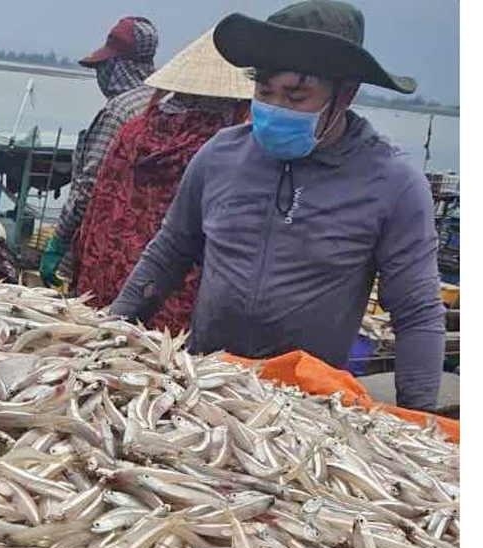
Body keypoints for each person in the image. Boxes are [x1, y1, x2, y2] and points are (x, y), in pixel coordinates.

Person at [109, 0, 446, 412]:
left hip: (307, 407)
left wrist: (419, 417)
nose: (275, 108)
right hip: (206, 388)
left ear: (346, 94)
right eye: (265, 92)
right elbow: (169, 252)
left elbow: (417, 312)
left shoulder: (392, 182)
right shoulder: (219, 156)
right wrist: (109, 333)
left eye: (296, 96)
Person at [73, 29, 253, 332]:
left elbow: (97, 205)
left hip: (108, 283)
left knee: (105, 349)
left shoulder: (133, 131)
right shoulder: (223, 152)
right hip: (173, 299)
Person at [39, 16, 159, 286]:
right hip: (146, 248)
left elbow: (89, 187)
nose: (99, 75)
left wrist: (58, 242)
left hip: (105, 245)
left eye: (102, 67)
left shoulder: (119, 111)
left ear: (118, 66)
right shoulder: (163, 99)